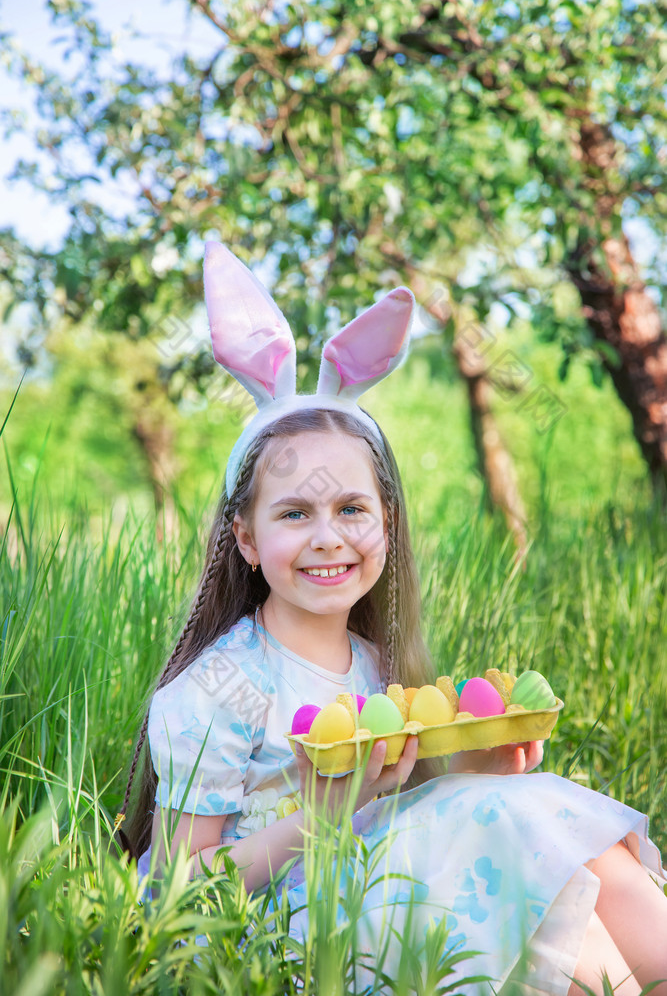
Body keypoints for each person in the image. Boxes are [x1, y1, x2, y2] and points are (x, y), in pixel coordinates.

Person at [118, 243, 667, 996]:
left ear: (387, 523)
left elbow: (408, 809)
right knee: (495, 832)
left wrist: (476, 768)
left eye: (351, 509)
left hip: (388, 874)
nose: (327, 537)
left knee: (522, 809)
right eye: (293, 513)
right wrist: (320, 815)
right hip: (288, 924)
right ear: (244, 537)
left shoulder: (376, 667)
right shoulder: (216, 691)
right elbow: (174, 894)